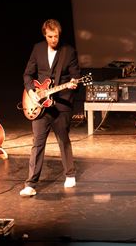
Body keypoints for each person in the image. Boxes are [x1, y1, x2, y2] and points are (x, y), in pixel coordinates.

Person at [20, 19, 80, 197]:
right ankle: (30, 184)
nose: (54, 40)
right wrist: (31, 93)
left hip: (61, 104)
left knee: (63, 139)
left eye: (56, 36)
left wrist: (74, 84)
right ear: (45, 35)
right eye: (50, 37)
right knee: (37, 143)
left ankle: (69, 174)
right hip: (39, 104)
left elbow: (76, 76)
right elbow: (28, 74)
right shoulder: (38, 48)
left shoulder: (68, 51)